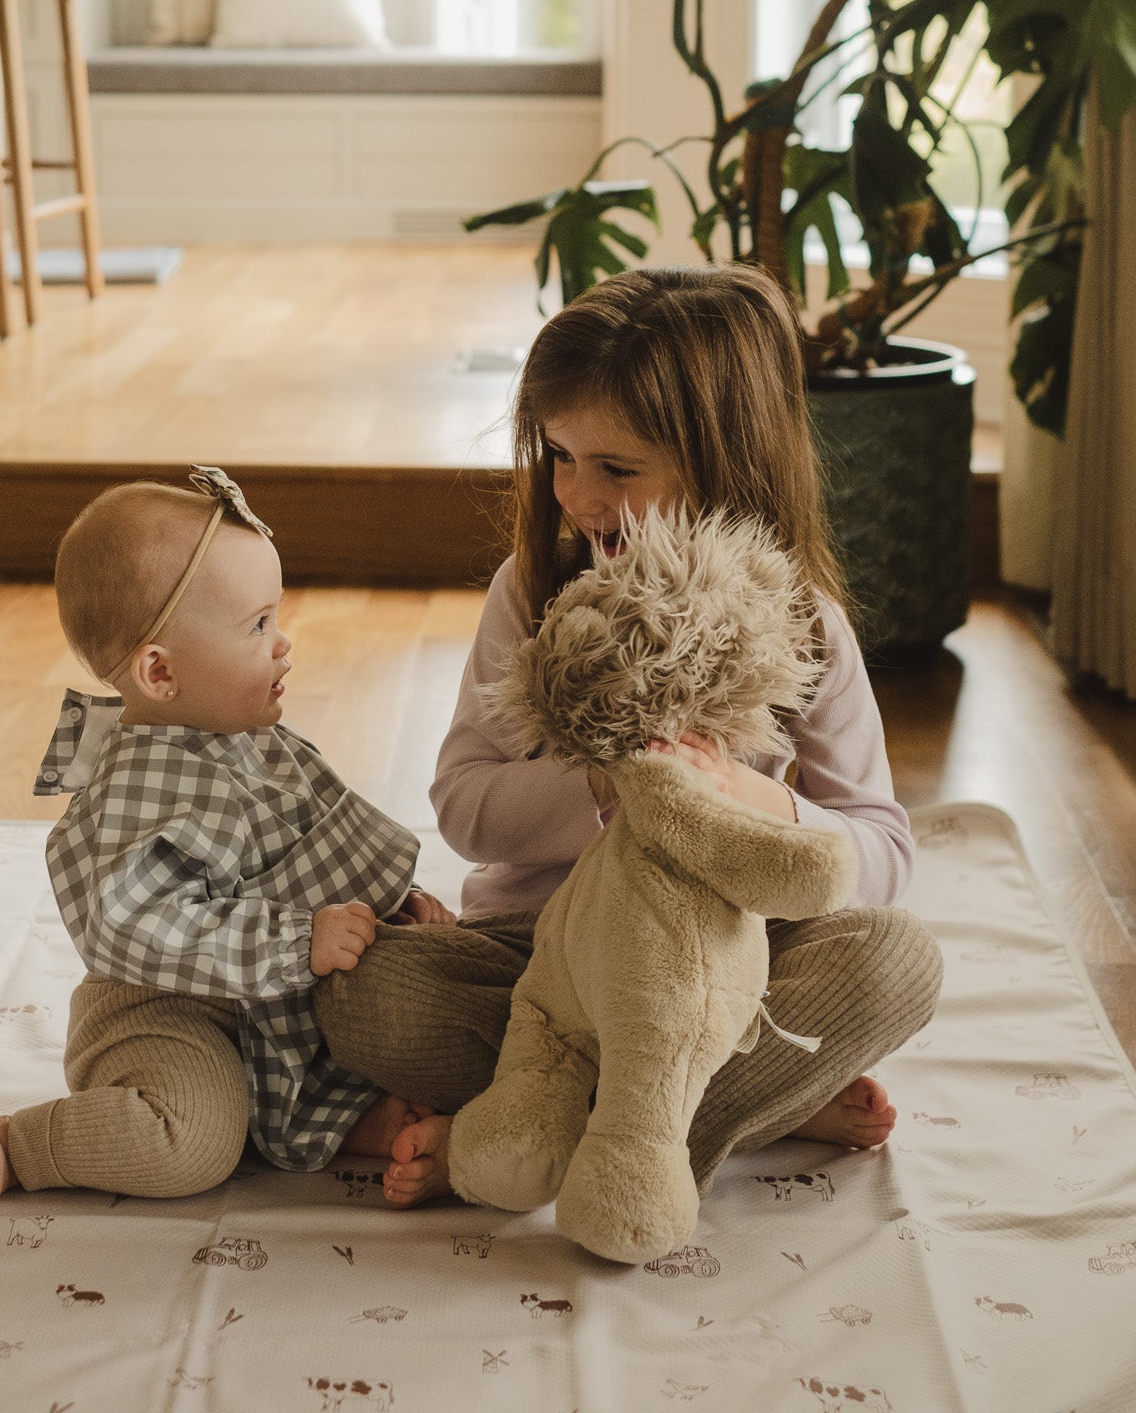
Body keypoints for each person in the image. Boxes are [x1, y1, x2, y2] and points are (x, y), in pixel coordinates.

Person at [314, 266, 943, 1208]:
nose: (575, 493)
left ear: (723, 461)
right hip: (542, 967)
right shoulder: (530, 593)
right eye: (559, 455)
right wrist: (608, 784)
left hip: (721, 978)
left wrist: (752, 800)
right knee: (365, 992)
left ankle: (538, 1138)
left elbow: (882, 850)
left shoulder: (800, 623)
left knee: (896, 961)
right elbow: (463, 806)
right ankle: (723, 1113)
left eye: (616, 468)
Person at [0, 467, 451, 1219]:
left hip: (269, 996)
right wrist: (296, 941)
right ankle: (17, 1142)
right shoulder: (129, 797)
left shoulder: (251, 738)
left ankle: (333, 1119)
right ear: (160, 670)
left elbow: (314, 838)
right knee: (192, 1141)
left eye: (274, 618)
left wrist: (390, 903)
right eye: (255, 626)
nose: (282, 643)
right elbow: (137, 925)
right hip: (165, 1010)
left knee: (422, 1016)